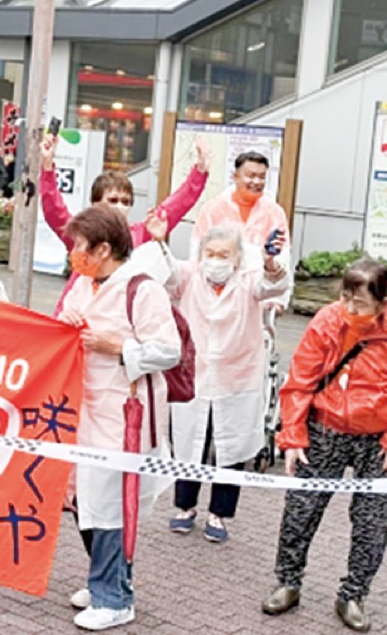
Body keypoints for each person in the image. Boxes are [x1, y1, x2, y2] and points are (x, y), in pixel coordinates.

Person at [261, 258, 387, 632]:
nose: (351, 309)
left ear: (383, 303)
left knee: (373, 520)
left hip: (378, 436)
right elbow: (299, 382)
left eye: (361, 303)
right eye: (346, 299)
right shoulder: (326, 321)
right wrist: (292, 436)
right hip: (326, 427)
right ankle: (288, 582)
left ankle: (354, 594)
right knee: (301, 509)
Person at [56, 206, 181, 631]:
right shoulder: (84, 285)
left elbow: (169, 350)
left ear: (104, 248)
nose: (75, 253)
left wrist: (120, 347)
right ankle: (106, 579)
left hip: (123, 414)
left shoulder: (142, 290)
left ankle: (115, 598)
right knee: (81, 500)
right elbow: (64, 325)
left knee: (109, 507)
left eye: (80, 246)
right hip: (84, 409)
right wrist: (67, 323)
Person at [164, 224, 290, 544]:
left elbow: (273, 285)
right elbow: (166, 275)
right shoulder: (190, 275)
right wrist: (158, 240)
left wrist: (271, 263)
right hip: (196, 372)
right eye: (211, 253)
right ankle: (185, 506)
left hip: (237, 375)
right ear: (201, 254)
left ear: (237, 258)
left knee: (230, 445)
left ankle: (219, 513)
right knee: (190, 439)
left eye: (224, 254)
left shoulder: (249, 280)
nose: (217, 260)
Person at [40, 132, 211, 253]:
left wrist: (199, 172)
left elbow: (174, 208)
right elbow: (55, 211)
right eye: (113, 200)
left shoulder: (141, 233)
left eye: (126, 201)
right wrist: (47, 167)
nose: (120, 206)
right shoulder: (82, 234)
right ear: (95, 203)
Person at [191, 150, 289, 272]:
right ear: (235, 177)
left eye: (262, 177)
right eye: (251, 176)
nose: (257, 182)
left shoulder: (275, 213)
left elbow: (282, 259)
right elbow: (196, 253)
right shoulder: (212, 209)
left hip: (259, 286)